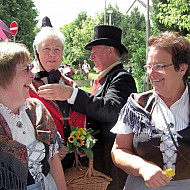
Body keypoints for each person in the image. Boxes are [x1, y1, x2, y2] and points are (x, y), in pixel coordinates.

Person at [37, 25, 137, 190]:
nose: (90, 57)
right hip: (88, 166)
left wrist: (71, 94)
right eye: (46, 49)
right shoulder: (105, 79)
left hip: (108, 168)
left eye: (94, 51)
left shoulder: (122, 78)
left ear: (110, 51)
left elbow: (111, 111)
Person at [111, 31, 190, 190]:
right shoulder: (136, 105)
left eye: (159, 66)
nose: (151, 73)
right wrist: (142, 167)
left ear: (182, 68)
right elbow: (118, 150)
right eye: (149, 66)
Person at [0, 42, 67, 190]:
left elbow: (53, 159)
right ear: (3, 75)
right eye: (26, 69)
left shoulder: (36, 109)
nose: (32, 75)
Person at [30, 26, 86, 171]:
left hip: (73, 161)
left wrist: (79, 144)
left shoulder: (70, 84)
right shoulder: (27, 86)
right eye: (46, 49)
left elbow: (80, 117)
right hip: (43, 162)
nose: (52, 54)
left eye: (57, 50)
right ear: (36, 54)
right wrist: (52, 146)